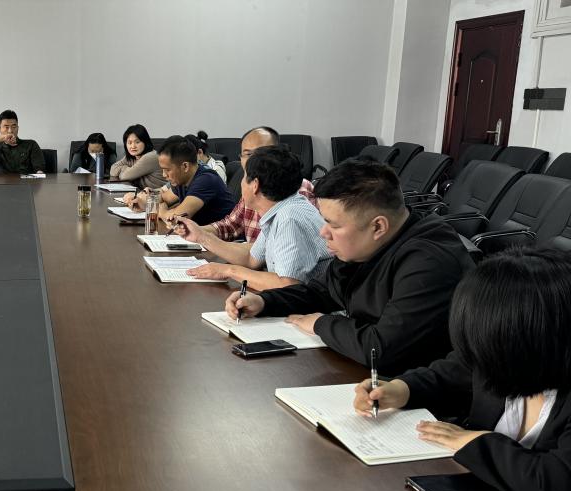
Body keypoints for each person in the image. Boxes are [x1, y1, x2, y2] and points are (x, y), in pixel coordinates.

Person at [352, 248, 571, 491]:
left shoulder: (507, 357)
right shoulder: (495, 357)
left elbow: (559, 490)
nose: (479, 356)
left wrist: (472, 440)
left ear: (529, 339)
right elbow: (448, 375)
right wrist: (399, 389)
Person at [227, 158, 474, 373]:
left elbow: (380, 349)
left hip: (418, 391)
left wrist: (321, 324)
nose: (323, 233)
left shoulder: (429, 263)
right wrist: (265, 302)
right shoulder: (368, 245)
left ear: (378, 226)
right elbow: (320, 292)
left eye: (334, 225)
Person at [175, 145, 331, 291]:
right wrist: (201, 236)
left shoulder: (289, 218)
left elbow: (287, 285)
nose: (241, 183)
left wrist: (228, 270)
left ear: (255, 185)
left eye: (244, 176)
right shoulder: (281, 209)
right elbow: (251, 258)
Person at [205, 126, 316, 244]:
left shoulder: (298, 189)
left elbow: (276, 248)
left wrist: (205, 239)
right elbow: (230, 226)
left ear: (278, 153)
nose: (254, 160)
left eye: (262, 153)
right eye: (248, 154)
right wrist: (197, 231)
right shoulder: (249, 187)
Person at [136, 136, 234, 227]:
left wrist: (162, 212)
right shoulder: (182, 179)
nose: (164, 175)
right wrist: (139, 201)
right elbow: (164, 198)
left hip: (221, 237)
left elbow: (178, 218)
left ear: (185, 166)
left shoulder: (206, 180)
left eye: (167, 170)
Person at [0, 109, 45, 174]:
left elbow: (39, 170)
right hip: (2, 182)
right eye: (6, 127)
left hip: (25, 181)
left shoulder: (30, 144)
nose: (10, 131)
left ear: (18, 128)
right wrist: (3, 137)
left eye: (14, 127)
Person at [109, 124, 165, 191]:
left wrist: (124, 169)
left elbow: (125, 176)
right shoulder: (131, 156)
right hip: (144, 193)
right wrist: (126, 169)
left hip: (159, 194)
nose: (133, 146)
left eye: (137, 142)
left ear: (145, 142)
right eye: (129, 143)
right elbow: (113, 170)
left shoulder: (150, 156)